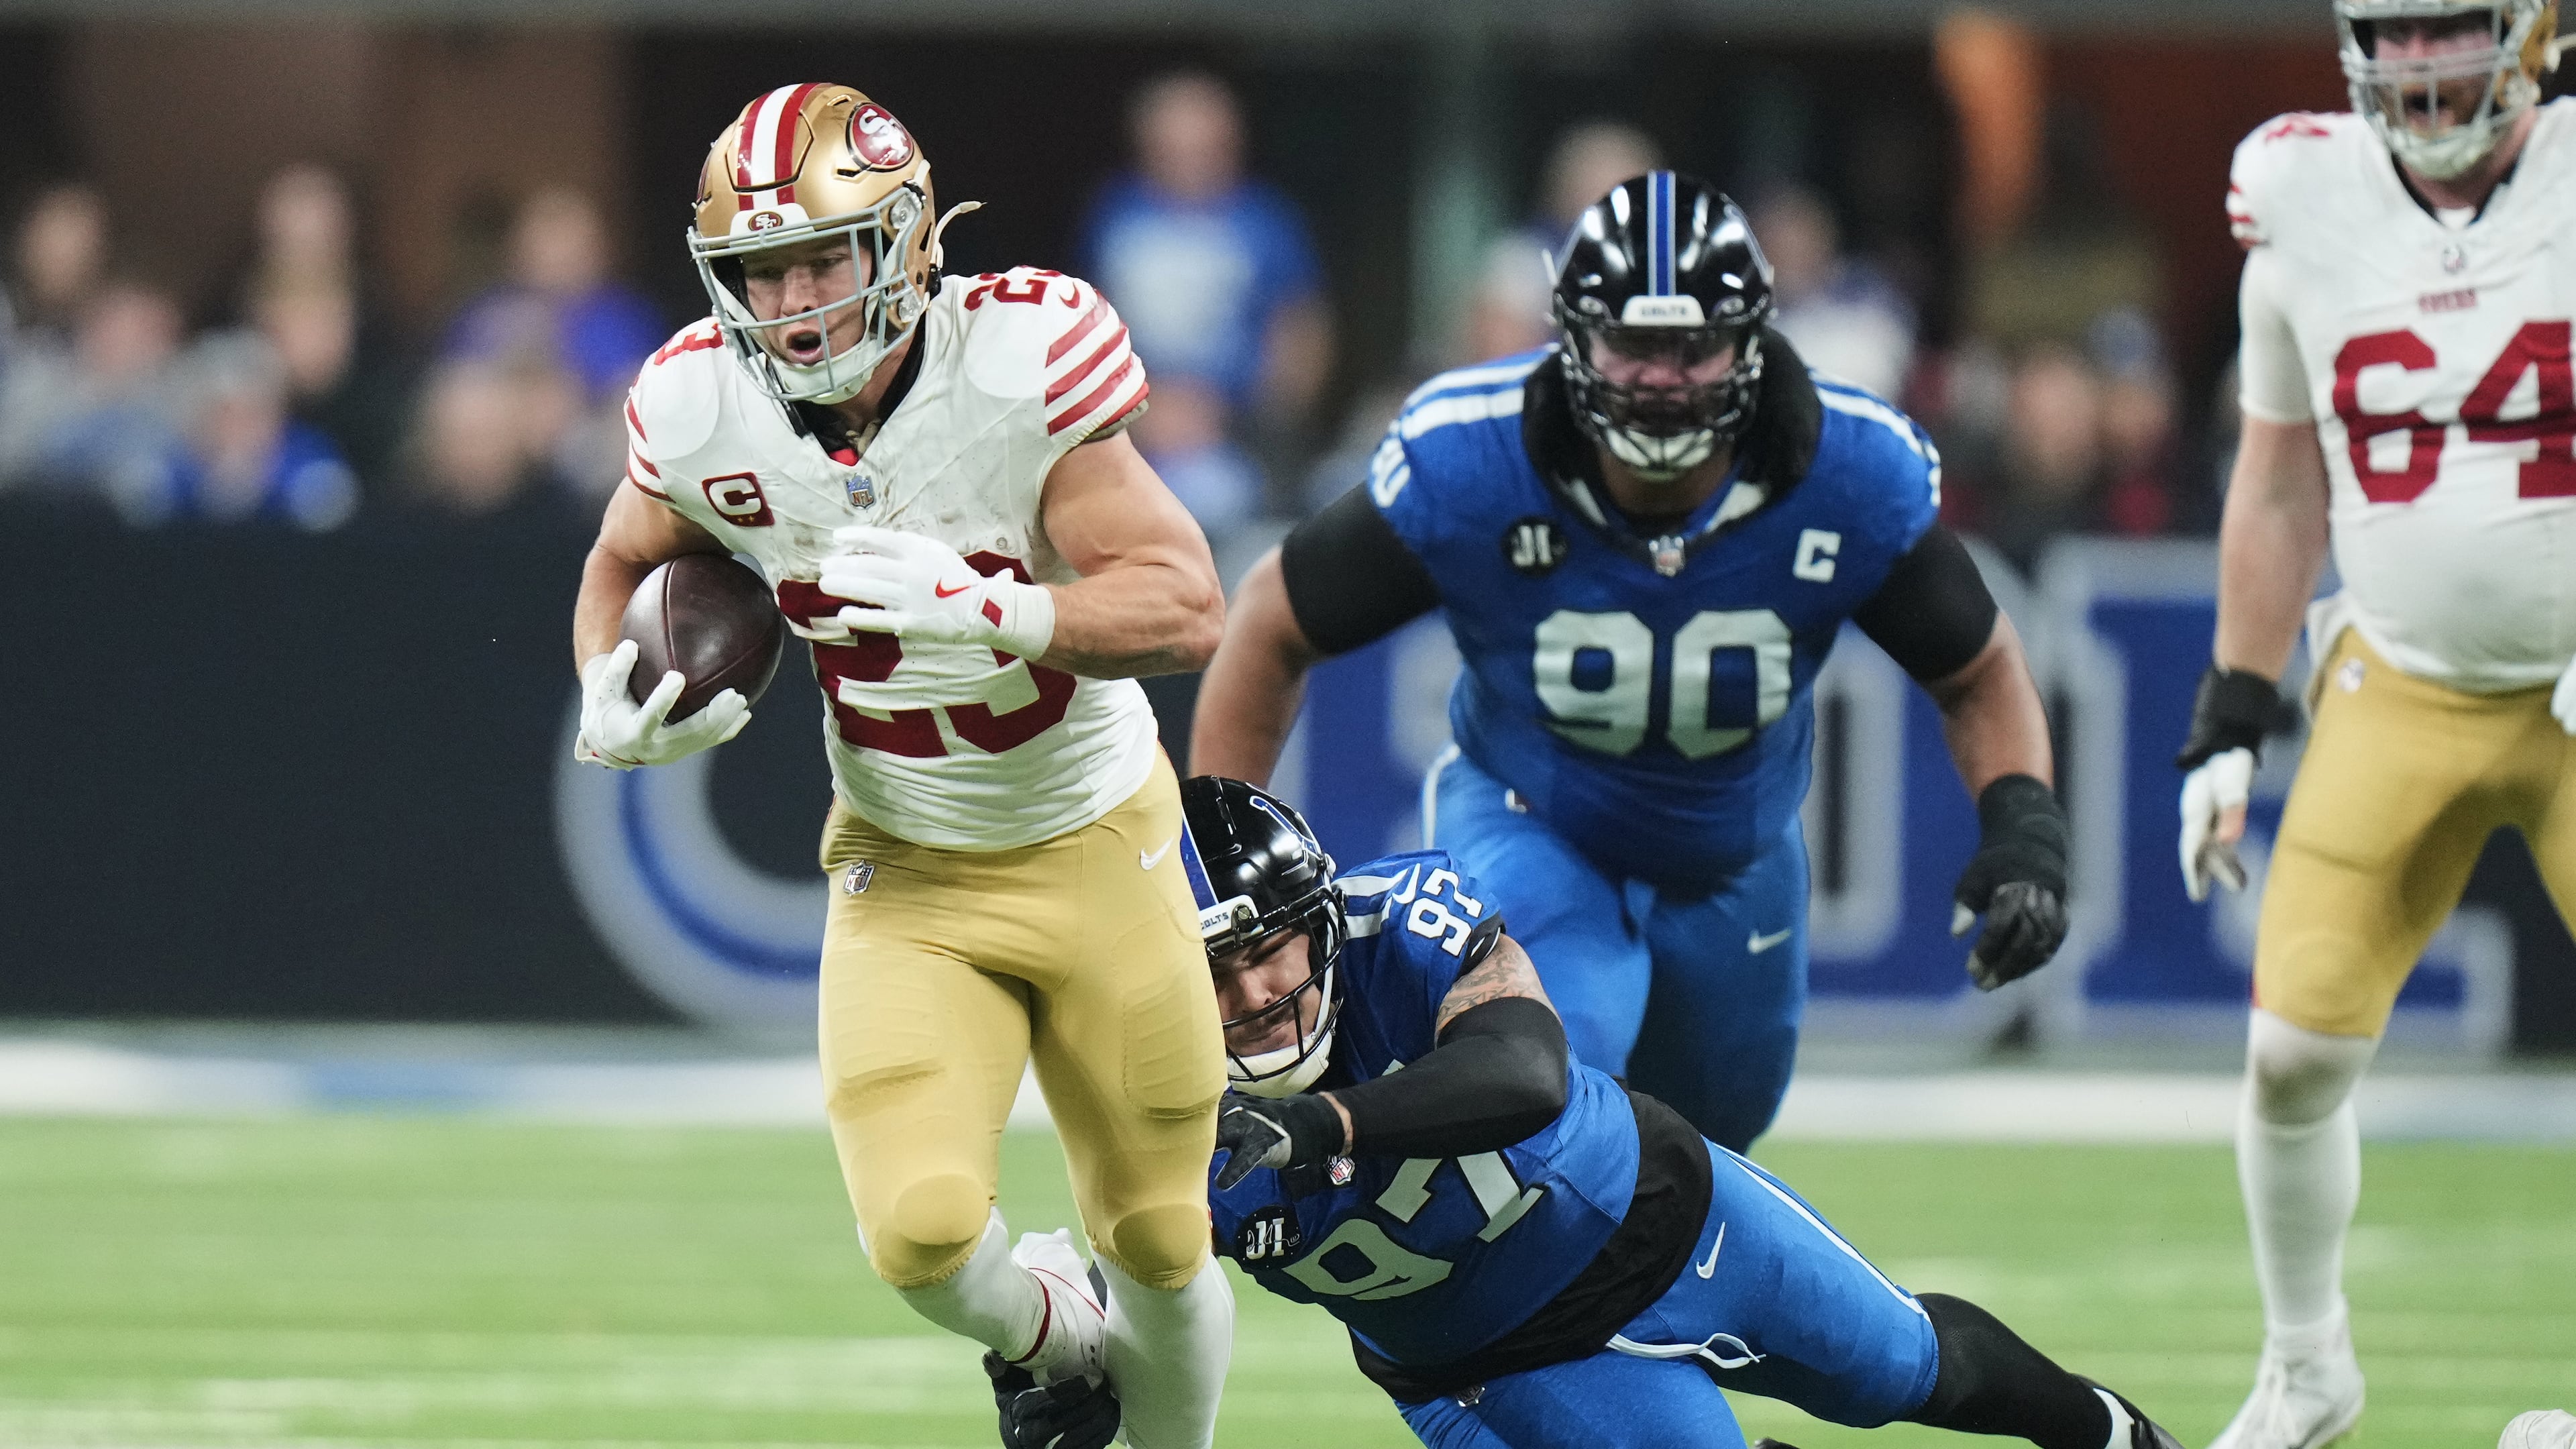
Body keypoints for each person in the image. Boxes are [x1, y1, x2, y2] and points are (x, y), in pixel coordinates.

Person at [567, 84, 1233, 1449]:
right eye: (766, 269)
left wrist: (1007, 611)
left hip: (1099, 833)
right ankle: (1052, 1329)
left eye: (826, 256)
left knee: (1163, 1234)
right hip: (907, 862)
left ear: (911, 239)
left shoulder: (1016, 363)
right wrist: (604, 688)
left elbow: (1188, 604)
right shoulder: (701, 403)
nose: (800, 299)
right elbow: (625, 561)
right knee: (921, 1237)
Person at [1190, 172, 2070, 1153]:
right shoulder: (1475, 461)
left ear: (1748, 342)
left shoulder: (1847, 472)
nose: (1661, 376)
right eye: (1633, 345)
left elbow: (1975, 667)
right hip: (1537, 821)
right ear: (1572, 338)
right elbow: (1272, 619)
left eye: (1692, 348)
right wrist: (1210, 857)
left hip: (1734, 854)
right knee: (1542, 1107)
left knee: (1705, 1149)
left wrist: (2022, 822)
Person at [1000, 775, 2184, 1449]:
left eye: (1273, 947)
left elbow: (1526, 1075)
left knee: (1903, 1364)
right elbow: (1128, 1307)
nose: (1258, 992)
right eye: (1215, 971)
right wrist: (1051, 1367)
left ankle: (2115, 1435)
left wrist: (1326, 1128)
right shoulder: (1143, 1096)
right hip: (1485, 1366)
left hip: (1658, 1213)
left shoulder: (1399, 926)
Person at [2176, 6, 2576, 1449]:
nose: (2419, 66)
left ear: (2534, 33)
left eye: (2453, 30)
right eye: (2394, 34)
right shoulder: (2303, 197)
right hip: (2404, 677)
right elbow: (2280, 484)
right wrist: (2232, 714)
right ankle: (2307, 1370)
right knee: (2291, 1051)